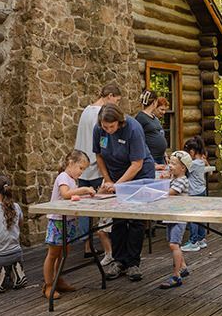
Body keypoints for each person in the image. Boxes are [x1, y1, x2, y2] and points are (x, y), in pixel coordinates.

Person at [95, 103, 156, 282]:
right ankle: (119, 260)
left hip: (139, 175)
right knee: (118, 218)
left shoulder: (133, 128)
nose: (108, 130)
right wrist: (108, 180)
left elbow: (137, 163)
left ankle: (133, 263)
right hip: (115, 176)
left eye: (111, 127)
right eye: (105, 127)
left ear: (119, 122)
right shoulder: (99, 129)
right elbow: (99, 155)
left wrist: (117, 185)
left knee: (135, 219)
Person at [75, 84, 121, 262]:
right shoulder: (101, 114)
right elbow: (102, 141)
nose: (115, 105)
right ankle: (107, 247)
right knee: (104, 207)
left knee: (86, 209)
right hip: (95, 166)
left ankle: (87, 245)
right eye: (116, 101)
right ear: (109, 96)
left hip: (82, 168)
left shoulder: (86, 110)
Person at [42, 150, 96, 299]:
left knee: (64, 253)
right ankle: (48, 285)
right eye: (81, 168)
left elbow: (73, 196)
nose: (81, 172)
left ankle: (58, 279)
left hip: (68, 220)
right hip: (58, 220)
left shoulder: (72, 179)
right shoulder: (63, 177)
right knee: (53, 253)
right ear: (71, 163)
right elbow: (66, 194)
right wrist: (84, 189)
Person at [159, 150, 193, 289]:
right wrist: (164, 179)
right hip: (171, 216)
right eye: (169, 163)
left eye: (173, 164)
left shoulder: (182, 181)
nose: (170, 166)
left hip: (179, 217)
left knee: (174, 244)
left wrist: (159, 187)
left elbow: (169, 193)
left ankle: (176, 275)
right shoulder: (174, 179)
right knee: (173, 244)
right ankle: (183, 267)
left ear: (183, 168)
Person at [180, 136, 209, 252]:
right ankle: (201, 239)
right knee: (200, 216)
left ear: (191, 152)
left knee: (192, 217)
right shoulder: (201, 161)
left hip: (194, 193)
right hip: (201, 190)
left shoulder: (193, 164)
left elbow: (182, 170)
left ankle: (193, 241)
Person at [136, 89, 169, 165]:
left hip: (161, 158)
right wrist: (151, 162)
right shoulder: (141, 117)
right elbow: (139, 141)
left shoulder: (154, 117)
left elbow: (159, 135)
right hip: (152, 159)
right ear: (154, 102)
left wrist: (165, 155)